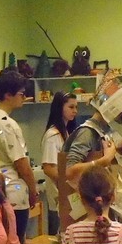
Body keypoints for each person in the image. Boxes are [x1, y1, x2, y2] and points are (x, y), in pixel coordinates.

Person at [62, 71, 122, 227]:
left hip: (100, 208)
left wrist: (120, 151)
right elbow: (69, 171)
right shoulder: (86, 133)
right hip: (84, 210)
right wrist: (104, 160)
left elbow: (109, 157)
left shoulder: (105, 130)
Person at [0, 69, 39, 244]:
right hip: (12, 194)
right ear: (7, 95)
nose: (24, 97)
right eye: (21, 93)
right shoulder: (7, 124)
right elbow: (21, 164)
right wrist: (33, 191)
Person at [41, 91, 79, 236]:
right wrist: (66, 182)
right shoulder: (53, 135)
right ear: (59, 108)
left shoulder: (67, 133)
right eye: (71, 107)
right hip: (59, 195)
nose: (75, 111)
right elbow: (48, 168)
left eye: (76, 107)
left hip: (69, 194)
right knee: (60, 236)